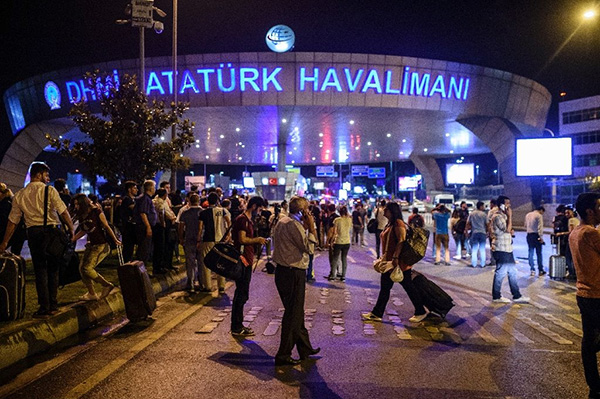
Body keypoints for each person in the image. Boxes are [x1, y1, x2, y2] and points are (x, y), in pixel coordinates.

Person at [0, 162, 75, 318]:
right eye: (46, 175)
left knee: (40, 269)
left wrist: (5, 242)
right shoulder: (50, 190)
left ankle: (43, 307)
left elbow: (12, 221)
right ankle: (53, 305)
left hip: (33, 233)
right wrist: (71, 228)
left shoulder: (20, 194)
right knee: (53, 269)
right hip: (52, 232)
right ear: (39, 174)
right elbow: (63, 211)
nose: (47, 178)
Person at [362, 201, 429, 323]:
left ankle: (420, 311)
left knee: (406, 287)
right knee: (389, 288)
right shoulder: (390, 224)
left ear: (392, 211)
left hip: (398, 263)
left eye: (386, 210)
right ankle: (377, 313)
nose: (384, 211)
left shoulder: (398, 223)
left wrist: (395, 258)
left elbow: (401, 241)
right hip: (391, 261)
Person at [272, 196, 320, 366]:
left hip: (283, 272)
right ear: (301, 211)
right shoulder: (294, 225)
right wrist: (312, 228)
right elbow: (309, 248)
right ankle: (283, 354)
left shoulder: (283, 221)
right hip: (293, 273)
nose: (310, 213)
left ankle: (305, 348)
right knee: (293, 315)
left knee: (296, 313)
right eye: (307, 209)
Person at [569, 192, 600, 399]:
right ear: (590, 211)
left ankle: (594, 385)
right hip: (598, 295)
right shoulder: (591, 233)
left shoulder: (575, 232)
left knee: (589, 342)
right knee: (591, 342)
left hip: (584, 293)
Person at [71, 194, 121, 301]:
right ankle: (92, 293)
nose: (76, 207)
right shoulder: (81, 215)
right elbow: (84, 230)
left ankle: (107, 285)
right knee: (81, 268)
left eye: (77, 204)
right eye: (75, 204)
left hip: (101, 245)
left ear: (83, 204)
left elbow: (107, 226)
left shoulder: (96, 212)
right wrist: (73, 238)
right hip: (91, 245)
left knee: (87, 268)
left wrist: (115, 240)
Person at [230, 196, 267, 337]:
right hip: (243, 260)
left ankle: (238, 325)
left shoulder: (248, 220)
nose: (260, 211)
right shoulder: (243, 220)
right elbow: (242, 239)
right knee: (241, 294)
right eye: (260, 208)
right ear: (254, 206)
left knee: (243, 294)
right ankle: (236, 326)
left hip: (247, 260)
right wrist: (257, 240)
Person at [490, 195, 529, 304]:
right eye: (507, 203)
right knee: (501, 272)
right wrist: (510, 216)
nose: (509, 205)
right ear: (501, 205)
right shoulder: (497, 216)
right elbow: (507, 229)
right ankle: (496, 296)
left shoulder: (503, 216)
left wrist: (510, 230)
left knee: (512, 272)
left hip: (507, 248)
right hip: (501, 248)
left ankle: (516, 295)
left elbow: (508, 230)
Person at [198, 192, 230, 293]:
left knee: (206, 262)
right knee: (220, 262)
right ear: (217, 200)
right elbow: (229, 222)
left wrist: (198, 240)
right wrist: (228, 235)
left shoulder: (203, 213)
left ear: (208, 201)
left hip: (207, 239)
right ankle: (221, 285)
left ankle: (207, 286)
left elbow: (200, 228)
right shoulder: (222, 211)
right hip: (220, 239)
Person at [178, 193, 202, 292]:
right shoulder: (202, 212)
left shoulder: (185, 213)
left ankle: (190, 283)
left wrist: (181, 238)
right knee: (201, 262)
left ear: (189, 201)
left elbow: (181, 227)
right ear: (198, 201)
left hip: (188, 239)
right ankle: (202, 283)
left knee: (190, 262)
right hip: (200, 240)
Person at [133, 180, 157, 266]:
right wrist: (148, 227)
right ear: (150, 188)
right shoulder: (145, 199)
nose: (155, 189)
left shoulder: (145, 198)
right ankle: (141, 271)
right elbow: (143, 213)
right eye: (154, 187)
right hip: (143, 227)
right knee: (144, 249)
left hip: (143, 226)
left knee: (145, 249)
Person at [328, 205, 352, 281]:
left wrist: (331, 241)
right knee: (344, 258)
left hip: (338, 241)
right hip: (347, 241)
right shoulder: (349, 220)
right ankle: (343, 276)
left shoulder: (337, 220)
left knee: (335, 258)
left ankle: (333, 275)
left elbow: (335, 232)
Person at [525, 205, 546, 277]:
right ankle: (540, 270)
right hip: (536, 235)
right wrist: (541, 238)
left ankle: (532, 269)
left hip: (529, 235)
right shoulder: (539, 215)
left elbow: (525, 225)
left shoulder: (528, 215)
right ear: (541, 210)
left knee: (530, 252)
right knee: (539, 253)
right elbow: (540, 227)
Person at [120, 181, 138, 263]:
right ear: (129, 189)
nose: (136, 190)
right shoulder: (127, 199)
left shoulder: (132, 199)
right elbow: (134, 209)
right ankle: (126, 264)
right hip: (128, 227)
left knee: (131, 247)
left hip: (132, 227)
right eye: (134, 188)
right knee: (128, 247)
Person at [467, 201, 488, 268]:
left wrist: (466, 231)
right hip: (482, 233)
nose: (484, 207)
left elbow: (467, 223)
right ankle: (482, 264)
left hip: (474, 232)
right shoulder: (484, 214)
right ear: (481, 206)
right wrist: (488, 232)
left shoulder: (472, 214)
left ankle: (474, 264)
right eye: (483, 206)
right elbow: (487, 224)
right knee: (482, 248)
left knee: (474, 249)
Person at [565, 206, 580, 279]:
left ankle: (571, 273)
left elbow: (571, 231)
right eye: (566, 213)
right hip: (576, 240)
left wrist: (561, 233)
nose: (566, 214)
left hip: (571, 240)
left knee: (568, 257)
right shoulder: (577, 220)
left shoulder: (571, 220)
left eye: (568, 212)